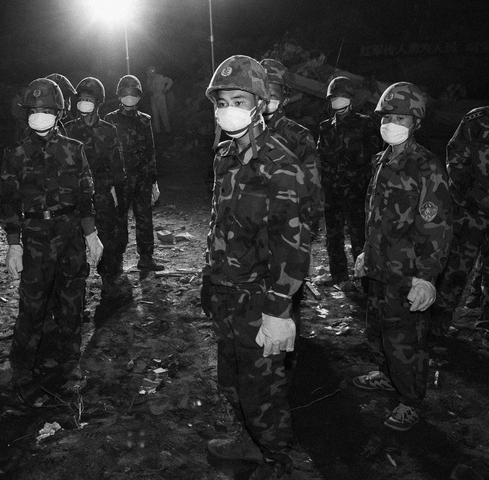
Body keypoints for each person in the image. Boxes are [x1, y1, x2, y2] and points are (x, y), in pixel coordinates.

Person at [202, 55, 312, 479]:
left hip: (261, 297)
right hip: (226, 289)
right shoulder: (224, 155)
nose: (228, 109)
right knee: (231, 379)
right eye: (222, 101)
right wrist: (209, 278)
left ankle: (276, 459)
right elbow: (219, 222)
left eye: (239, 100)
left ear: (260, 104)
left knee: (263, 388)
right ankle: (247, 440)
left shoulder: (282, 166)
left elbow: (293, 244)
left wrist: (280, 309)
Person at [353, 82, 452, 431]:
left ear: (416, 123)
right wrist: (365, 252)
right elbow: (374, 215)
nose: (391, 124)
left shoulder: (426, 166)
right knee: (378, 331)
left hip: (407, 272)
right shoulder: (382, 160)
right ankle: (386, 375)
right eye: (387, 117)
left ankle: (411, 400)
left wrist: (427, 277)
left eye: (400, 118)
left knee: (405, 340)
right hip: (379, 266)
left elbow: (436, 227)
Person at [0, 78, 102, 404]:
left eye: (45, 109)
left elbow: (85, 195)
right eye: (33, 110)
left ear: (59, 112)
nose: (39, 115)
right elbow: (8, 202)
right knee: (32, 306)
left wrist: (91, 234)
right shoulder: (15, 153)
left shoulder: (74, 148)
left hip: (70, 236)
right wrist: (13, 244)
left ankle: (70, 362)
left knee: (72, 302)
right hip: (35, 239)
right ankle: (22, 368)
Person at [432, 73, 489, 347]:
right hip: (470, 212)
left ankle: (488, 329)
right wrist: (476, 197)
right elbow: (455, 160)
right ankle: (438, 326)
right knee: (455, 270)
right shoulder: (477, 121)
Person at [260, 58, 322, 344]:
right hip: (254, 235)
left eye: (274, 92)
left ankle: (289, 355)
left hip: (287, 234)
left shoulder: (299, 136)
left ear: (284, 96)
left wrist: (307, 238)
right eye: (263, 91)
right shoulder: (243, 134)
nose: (268, 99)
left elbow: (312, 190)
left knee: (287, 302)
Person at [316, 76, 382, 289]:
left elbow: (374, 156)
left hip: (356, 190)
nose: (339, 100)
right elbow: (320, 157)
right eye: (335, 96)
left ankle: (365, 279)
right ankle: (339, 277)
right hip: (332, 190)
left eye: (343, 96)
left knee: (359, 236)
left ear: (351, 98)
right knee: (333, 235)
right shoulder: (325, 127)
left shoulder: (365, 123)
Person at [66, 78, 129, 299]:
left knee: (108, 238)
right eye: (81, 98)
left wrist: (120, 199)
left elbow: (118, 167)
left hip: (102, 195)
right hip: (75, 198)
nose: (83, 102)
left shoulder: (108, 131)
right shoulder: (68, 129)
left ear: (98, 102)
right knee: (74, 245)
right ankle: (76, 294)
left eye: (88, 98)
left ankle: (109, 280)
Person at [105, 75, 164, 271]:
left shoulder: (145, 120)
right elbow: (107, 153)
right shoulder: (110, 120)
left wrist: (154, 181)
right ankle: (117, 259)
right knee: (119, 219)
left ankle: (146, 258)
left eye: (133, 93)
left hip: (143, 178)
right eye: (125, 93)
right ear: (119, 95)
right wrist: (109, 182)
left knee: (145, 218)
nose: (129, 97)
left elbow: (150, 151)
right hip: (120, 179)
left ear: (139, 96)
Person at [146, 66, 173, 134]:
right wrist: (149, 92)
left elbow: (170, 81)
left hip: (161, 97)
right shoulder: (148, 80)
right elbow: (149, 89)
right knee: (155, 116)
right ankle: (158, 132)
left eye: (152, 71)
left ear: (155, 71)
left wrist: (166, 89)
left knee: (164, 114)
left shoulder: (160, 77)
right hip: (153, 99)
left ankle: (168, 130)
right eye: (149, 72)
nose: (151, 73)